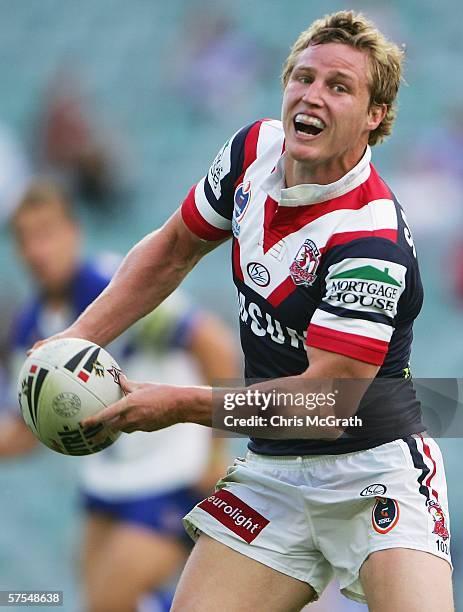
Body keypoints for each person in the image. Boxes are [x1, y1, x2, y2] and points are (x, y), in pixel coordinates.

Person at [32, 11, 454, 611]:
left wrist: (180, 404)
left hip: (376, 468)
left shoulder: (369, 238)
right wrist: (71, 343)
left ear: (374, 116)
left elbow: (326, 403)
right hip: (276, 470)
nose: (312, 95)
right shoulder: (253, 151)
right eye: (303, 77)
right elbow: (175, 247)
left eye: (339, 86)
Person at [3, 179, 239, 612]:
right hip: (107, 482)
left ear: (74, 232)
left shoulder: (115, 287)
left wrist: (214, 453)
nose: (38, 250)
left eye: (48, 233)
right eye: (26, 239)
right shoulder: (30, 326)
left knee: (109, 602)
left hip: (174, 471)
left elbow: (214, 346)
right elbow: (23, 430)